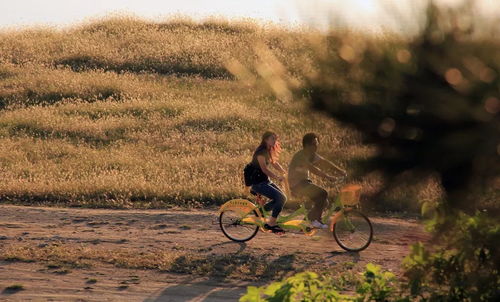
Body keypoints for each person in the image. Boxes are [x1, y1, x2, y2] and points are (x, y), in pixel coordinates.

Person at [288, 133, 346, 229]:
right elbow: (312, 169)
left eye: (317, 143)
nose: (316, 146)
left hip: (304, 182)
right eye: (314, 144)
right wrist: (327, 176)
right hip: (296, 184)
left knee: (324, 202)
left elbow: (324, 162)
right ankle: (315, 220)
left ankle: (306, 223)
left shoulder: (311, 154)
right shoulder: (301, 156)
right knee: (323, 193)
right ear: (307, 145)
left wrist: (340, 171)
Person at [250, 131, 287, 234]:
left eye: (276, 139)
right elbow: (264, 169)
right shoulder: (261, 152)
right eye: (272, 139)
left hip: (265, 181)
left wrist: (284, 172)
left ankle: (260, 212)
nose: (275, 141)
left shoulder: (268, 150)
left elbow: (274, 163)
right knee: (280, 198)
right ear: (266, 140)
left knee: (282, 198)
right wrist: (277, 177)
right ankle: (271, 224)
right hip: (258, 183)